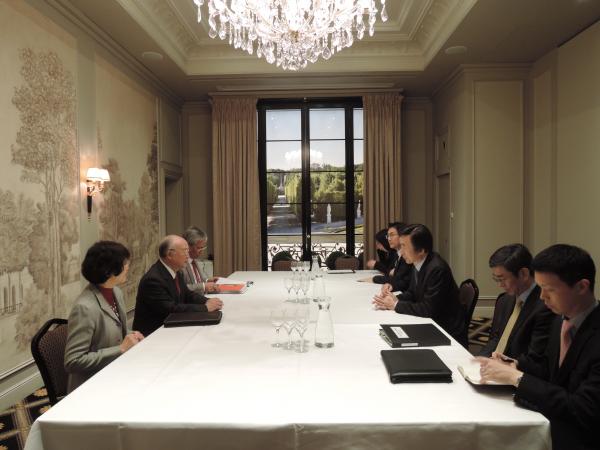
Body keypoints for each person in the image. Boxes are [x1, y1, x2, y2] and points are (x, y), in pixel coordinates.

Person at [478, 244, 600, 450]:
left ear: (581, 287)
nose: (542, 297)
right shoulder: (560, 320)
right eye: (540, 288)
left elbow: (582, 409)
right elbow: (548, 371)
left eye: (549, 289)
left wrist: (517, 378)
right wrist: (514, 364)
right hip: (551, 421)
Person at [64, 241, 144, 393]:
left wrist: (131, 335)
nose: (128, 266)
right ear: (109, 271)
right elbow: (73, 361)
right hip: (92, 387)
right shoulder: (84, 308)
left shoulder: (115, 292)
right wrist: (121, 348)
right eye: (124, 263)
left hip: (114, 373)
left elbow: (112, 330)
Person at [372, 224, 465, 343]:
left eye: (404, 246)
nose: (401, 252)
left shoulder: (437, 269)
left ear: (421, 250)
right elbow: (413, 293)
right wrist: (395, 298)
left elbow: (428, 309)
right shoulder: (419, 261)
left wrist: (395, 305)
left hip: (445, 329)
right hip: (431, 322)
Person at [133, 235, 223, 336]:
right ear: (170, 255)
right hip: (152, 335)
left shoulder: (175, 271)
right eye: (184, 251)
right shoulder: (153, 280)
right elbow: (170, 309)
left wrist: (207, 301)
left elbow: (187, 294)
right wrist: (205, 308)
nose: (188, 255)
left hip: (172, 326)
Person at [478, 244, 555, 359]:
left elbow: (534, 357)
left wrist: (501, 365)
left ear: (523, 274)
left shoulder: (545, 306)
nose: (500, 285)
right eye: (496, 279)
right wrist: (479, 359)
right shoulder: (504, 300)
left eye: (502, 279)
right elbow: (496, 338)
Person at [369, 223, 412, 291]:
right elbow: (391, 274)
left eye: (392, 235)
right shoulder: (397, 254)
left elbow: (398, 279)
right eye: (388, 236)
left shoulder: (408, 256)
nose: (389, 239)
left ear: (402, 236)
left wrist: (374, 278)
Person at [181, 226, 220, 294]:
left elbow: (195, 281)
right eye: (199, 248)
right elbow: (181, 288)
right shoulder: (180, 264)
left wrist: (207, 280)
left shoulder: (193, 260)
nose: (202, 251)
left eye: (203, 247)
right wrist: (204, 286)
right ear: (188, 247)